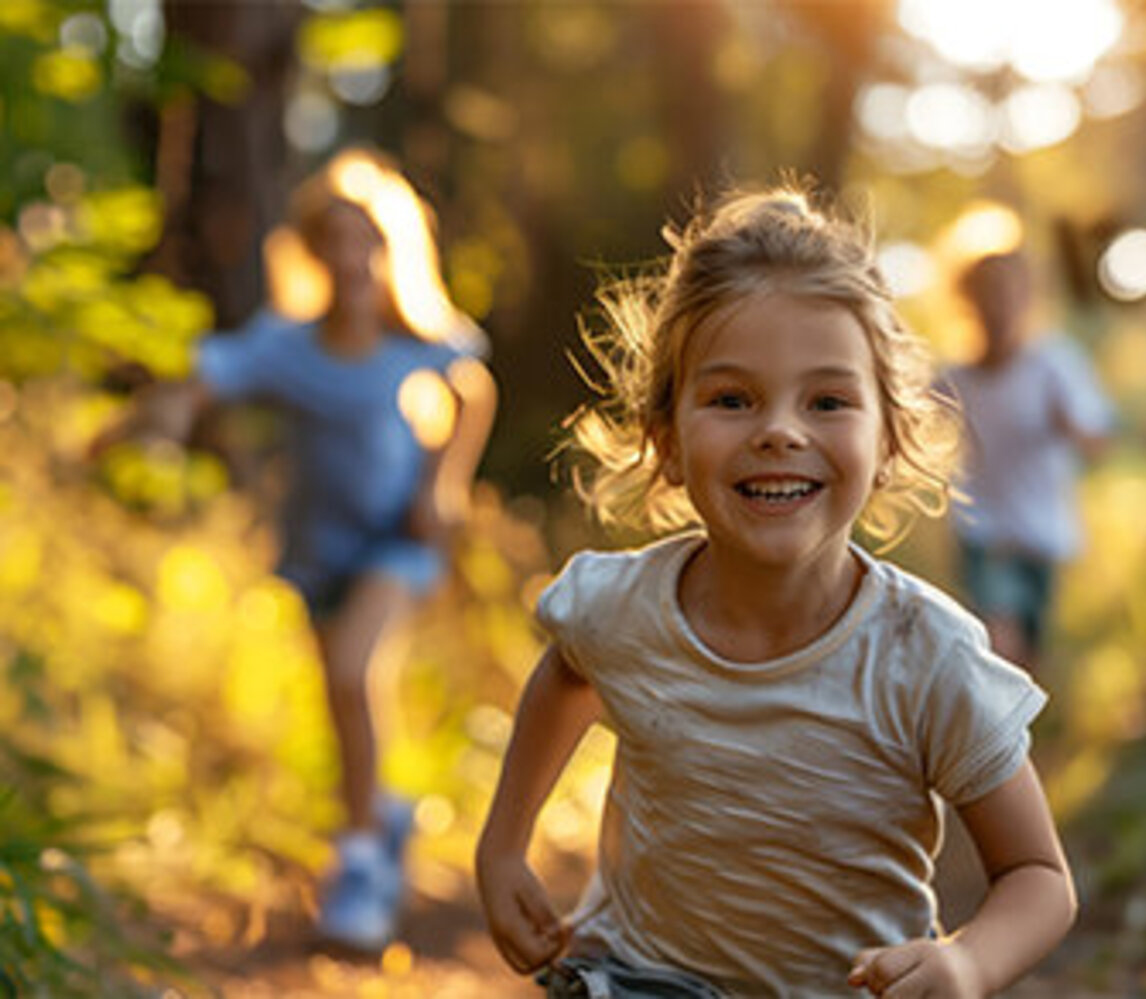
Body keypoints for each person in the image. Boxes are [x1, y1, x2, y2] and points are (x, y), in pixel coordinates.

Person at [475, 187, 1076, 997]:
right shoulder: (622, 608)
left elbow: (1039, 875)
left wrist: (966, 959)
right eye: (732, 400)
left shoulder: (925, 655)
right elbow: (569, 674)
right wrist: (505, 841)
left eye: (827, 401)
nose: (780, 431)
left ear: (889, 439)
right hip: (640, 976)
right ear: (669, 440)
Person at [94, 149, 497, 952]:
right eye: (335, 242)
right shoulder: (287, 346)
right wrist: (126, 430)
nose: (353, 259)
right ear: (313, 253)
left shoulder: (417, 338)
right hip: (318, 555)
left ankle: (361, 873)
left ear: (391, 249)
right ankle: (381, 817)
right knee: (344, 704)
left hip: (396, 546)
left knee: (355, 672)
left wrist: (440, 485)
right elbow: (197, 384)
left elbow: (473, 388)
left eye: (367, 241)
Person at [943, 249, 1114, 674]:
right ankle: (984, 736)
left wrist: (1071, 426)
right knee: (999, 646)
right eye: (986, 293)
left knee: (1028, 662)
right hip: (982, 530)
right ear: (969, 302)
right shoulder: (954, 378)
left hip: (1042, 532)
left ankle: (1018, 738)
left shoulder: (1055, 364)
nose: (997, 305)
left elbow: (1099, 443)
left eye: (1007, 292)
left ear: (1027, 298)